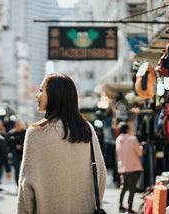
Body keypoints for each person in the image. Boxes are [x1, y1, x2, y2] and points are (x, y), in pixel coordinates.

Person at [17, 73, 107, 214]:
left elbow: (26, 186)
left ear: (54, 95)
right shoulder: (86, 129)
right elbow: (101, 175)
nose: (37, 95)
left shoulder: (36, 133)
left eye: (41, 90)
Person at [116, 122, 143, 214]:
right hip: (134, 167)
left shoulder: (118, 139)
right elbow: (139, 152)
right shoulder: (132, 139)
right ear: (128, 129)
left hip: (123, 167)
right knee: (132, 188)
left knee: (123, 187)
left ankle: (120, 205)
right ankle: (130, 207)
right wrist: (142, 148)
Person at [7, 120, 27, 186]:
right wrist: (15, 146)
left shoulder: (25, 132)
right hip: (15, 153)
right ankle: (18, 185)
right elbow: (9, 143)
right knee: (16, 170)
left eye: (20, 125)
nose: (18, 126)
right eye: (17, 125)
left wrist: (21, 146)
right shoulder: (11, 133)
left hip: (24, 153)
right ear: (15, 125)